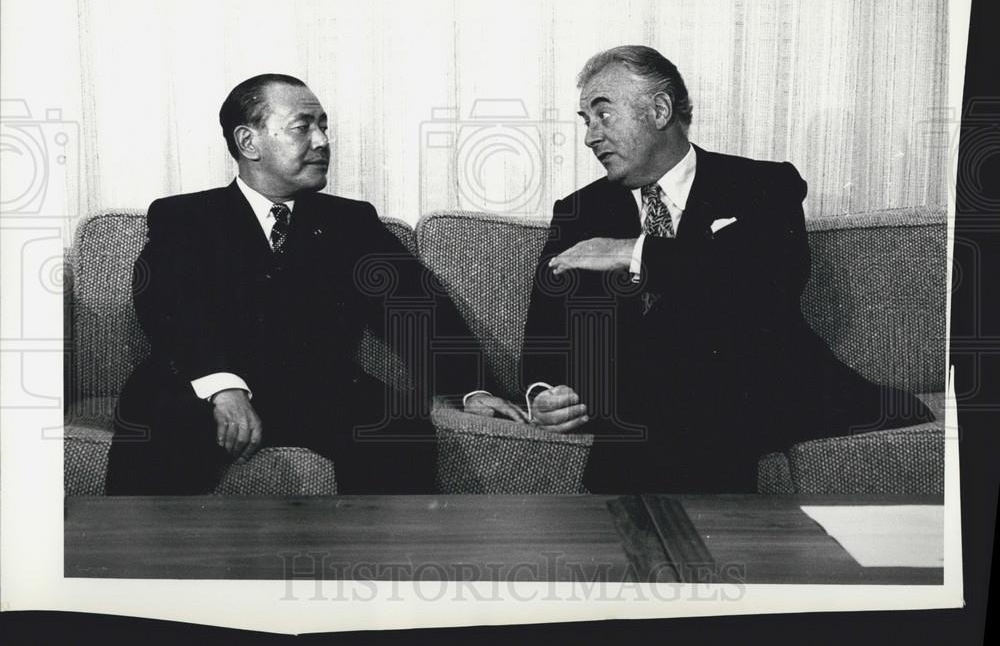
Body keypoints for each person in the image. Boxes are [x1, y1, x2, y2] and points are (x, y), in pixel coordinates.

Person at [469, 46, 933, 493]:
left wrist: (634, 251)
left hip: (764, 389)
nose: (590, 135)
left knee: (710, 336)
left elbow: (770, 282)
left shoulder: (764, 185)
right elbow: (546, 332)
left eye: (603, 113)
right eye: (586, 121)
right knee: (671, 386)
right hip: (656, 409)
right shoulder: (578, 212)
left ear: (660, 109)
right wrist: (543, 394)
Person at [105, 74, 489, 495]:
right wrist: (222, 384)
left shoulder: (351, 222)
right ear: (249, 142)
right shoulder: (185, 217)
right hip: (203, 386)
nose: (322, 141)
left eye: (324, 126)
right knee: (156, 415)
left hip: (316, 391)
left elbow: (416, 307)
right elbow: (169, 304)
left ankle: (379, 560)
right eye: (303, 127)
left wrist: (472, 388)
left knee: (398, 426)